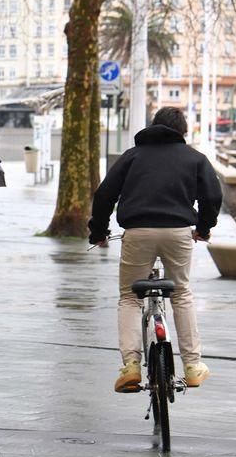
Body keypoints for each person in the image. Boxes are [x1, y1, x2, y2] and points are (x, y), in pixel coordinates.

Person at [88, 107, 222, 393]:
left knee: (130, 297)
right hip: (178, 233)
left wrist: (98, 231)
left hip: (138, 232)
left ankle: (131, 366)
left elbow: (104, 195)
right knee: (181, 293)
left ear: (153, 127)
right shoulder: (195, 158)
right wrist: (204, 228)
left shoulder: (132, 157)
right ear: (182, 133)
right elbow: (212, 196)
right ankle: (193, 365)